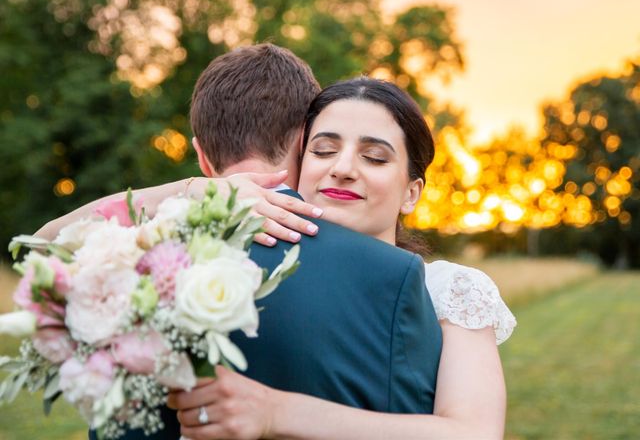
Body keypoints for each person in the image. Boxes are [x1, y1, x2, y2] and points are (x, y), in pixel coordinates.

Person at [61, 44, 441, 439]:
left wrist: (190, 191)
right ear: (303, 144)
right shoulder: (393, 275)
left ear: (202, 157)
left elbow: (38, 247)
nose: (342, 167)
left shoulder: (120, 260)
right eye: (326, 148)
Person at [167, 77, 516, 439]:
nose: (344, 167)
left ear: (411, 193)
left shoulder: (450, 287)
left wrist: (275, 412)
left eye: (374, 157)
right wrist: (196, 189)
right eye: (323, 151)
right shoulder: (230, 263)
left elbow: (475, 433)